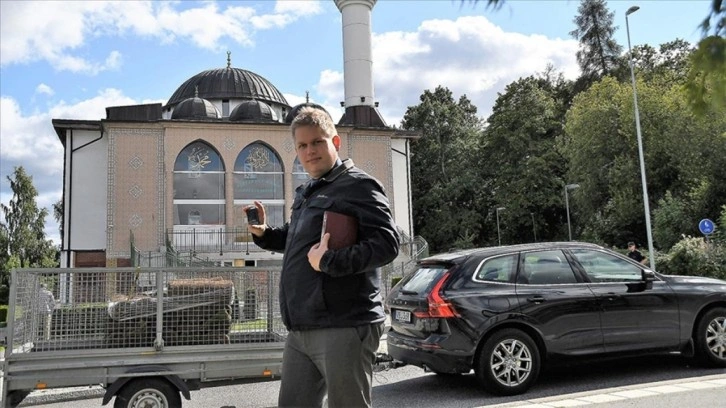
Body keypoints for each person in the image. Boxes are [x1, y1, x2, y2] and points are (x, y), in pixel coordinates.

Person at [246, 106, 400, 408]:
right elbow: (298, 240)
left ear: (336, 142)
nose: (310, 151)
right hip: (302, 327)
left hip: (344, 324)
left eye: (318, 142)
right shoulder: (307, 191)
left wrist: (329, 261)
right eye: (302, 145)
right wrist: (265, 233)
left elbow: (387, 244)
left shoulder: (359, 185)